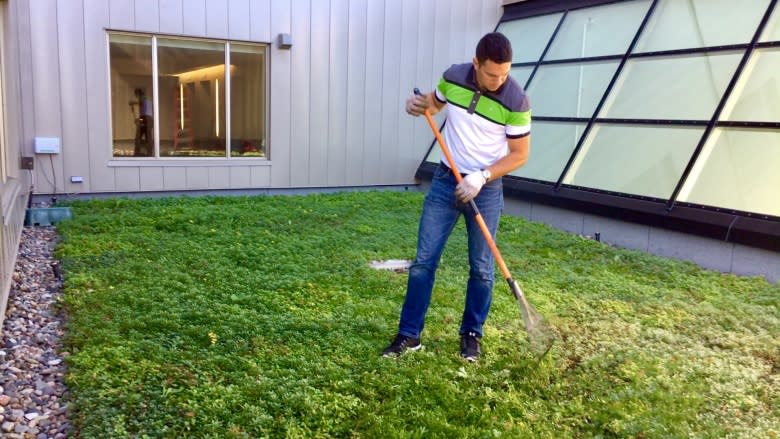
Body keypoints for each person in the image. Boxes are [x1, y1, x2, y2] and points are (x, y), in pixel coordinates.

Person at [382, 32, 531, 362]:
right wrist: (418, 106)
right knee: (424, 261)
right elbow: (433, 104)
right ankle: (409, 335)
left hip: (486, 188)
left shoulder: (516, 100)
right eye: (492, 73)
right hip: (445, 181)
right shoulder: (453, 77)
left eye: (505, 73)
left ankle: (471, 335)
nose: (499, 80)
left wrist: (482, 176)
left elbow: (519, 154)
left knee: (481, 267)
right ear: (476, 63)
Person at [133, 88, 154, 156]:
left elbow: (141, 102)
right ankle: (149, 153)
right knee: (148, 137)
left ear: (139, 94)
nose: (137, 97)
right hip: (148, 119)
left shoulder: (143, 99)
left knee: (138, 137)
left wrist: (133, 103)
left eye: (137, 95)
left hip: (146, 119)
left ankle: (137, 153)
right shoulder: (148, 101)